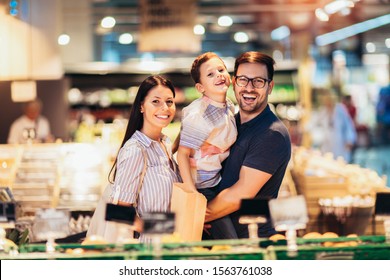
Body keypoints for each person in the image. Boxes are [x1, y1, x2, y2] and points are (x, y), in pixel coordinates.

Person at [204, 51, 292, 238]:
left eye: (258, 81)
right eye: (243, 80)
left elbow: (239, 195)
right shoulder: (229, 124)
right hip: (223, 237)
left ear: (270, 87)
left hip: (251, 242)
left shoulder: (271, 134)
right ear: (234, 82)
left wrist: (196, 214)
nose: (249, 88)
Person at [107, 75, 182, 242]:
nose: (165, 108)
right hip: (150, 252)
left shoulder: (165, 144)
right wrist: (166, 230)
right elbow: (117, 212)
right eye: (156, 101)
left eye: (169, 102)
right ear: (141, 106)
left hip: (173, 248)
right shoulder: (135, 150)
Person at [177, 52, 238, 239]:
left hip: (216, 182)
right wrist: (193, 194)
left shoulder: (227, 105)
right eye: (210, 74)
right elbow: (182, 154)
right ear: (200, 87)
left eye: (221, 70)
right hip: (201, 187)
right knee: (231, 244)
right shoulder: (199, 115)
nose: (219, 75)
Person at [307, 88, 357, 163]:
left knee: (340, 162)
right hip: (327, 144)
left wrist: (349, 140)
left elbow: (348, 126)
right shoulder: (323, 111)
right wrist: (303, 129)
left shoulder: (340, 109)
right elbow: (312, 122)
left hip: (340, 143)